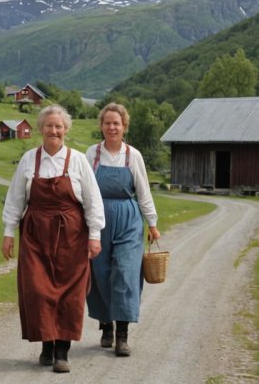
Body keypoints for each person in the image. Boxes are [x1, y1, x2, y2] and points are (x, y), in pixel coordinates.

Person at [1, 104, 105, 373]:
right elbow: (15, 199)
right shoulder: (28, 159)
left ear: (66, 130)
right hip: (35, 235)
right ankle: (46, 344)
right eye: (49, 126)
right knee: (37, 290)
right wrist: (8, 233)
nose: (54, 131)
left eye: (59, 126)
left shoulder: (78, 160)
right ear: (41, 129)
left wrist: (95, 236)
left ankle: (62, 352)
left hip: (72, 235)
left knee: (69, 294)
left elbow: (93, 201)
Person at [85, 102, 161, 357]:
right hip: (99, 219)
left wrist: (152, 222)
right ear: (101, 126)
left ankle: (122, 335)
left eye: (116, 123)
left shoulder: (133, 155)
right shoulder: (91, 154)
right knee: (101, 273)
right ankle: (106, 324)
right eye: (107, 123)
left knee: (126, 273)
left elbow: (143, 191)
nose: (112, 127)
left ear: (124, 126)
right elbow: (83, 190)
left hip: (128, 218)